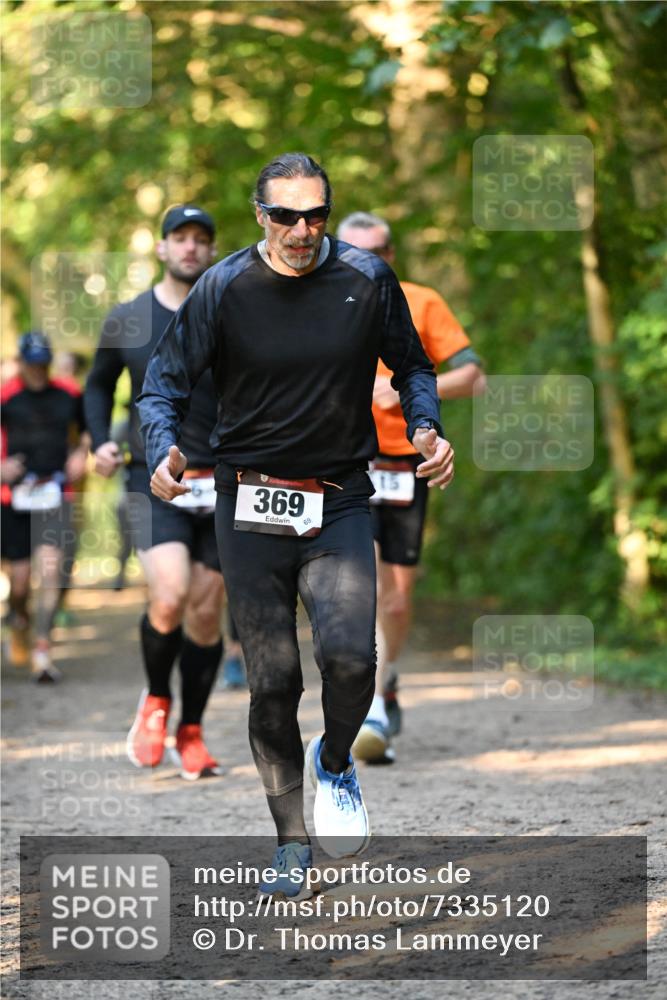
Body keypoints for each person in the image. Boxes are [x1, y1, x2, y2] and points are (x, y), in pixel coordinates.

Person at [138, 153, 455, 894]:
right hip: (247, 502)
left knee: (349, 660)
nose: (302, 230)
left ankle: (336, 763)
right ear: (260, 216)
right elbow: (161, 389)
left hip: (340, 495)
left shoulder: (364, 279)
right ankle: (290, 843)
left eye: (315, 214)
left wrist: (426, 428)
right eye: (285, 216)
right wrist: (163, 452)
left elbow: (413, 366)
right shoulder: (222, 288)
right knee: (272, 680)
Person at [337, 212, 486, 764]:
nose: (365, 261)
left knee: (398, 597)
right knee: (364, 585)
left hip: (406, 464)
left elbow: (473, 376)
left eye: (376, 251)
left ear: (392, 254)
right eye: (352, 251)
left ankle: (387, 680)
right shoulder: (318, 303)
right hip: (343, 459)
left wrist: (401, 392)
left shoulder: (420, 302)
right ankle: (370, 704)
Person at [84, 205, 226, 780]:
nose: (190, 247)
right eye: (180, 238)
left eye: (201, 239)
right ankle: (154, 703)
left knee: (207, 611)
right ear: (163, 249)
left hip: (222, 481)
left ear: (212, 251)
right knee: (170, 595)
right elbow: (97, 388)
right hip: (152, 478)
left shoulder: (230, 313)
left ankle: (190, 730)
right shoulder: (128, 319)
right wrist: (99, 442)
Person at [1, 332, 88, 682]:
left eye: (43, 364)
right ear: (21, 363)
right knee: (20, 582)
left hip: (55, 492)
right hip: (13, 498)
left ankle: (42, 649)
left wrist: (81, 454)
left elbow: (86, 431)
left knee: (51, 570)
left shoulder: (68, 394)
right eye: (31, 364)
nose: (38, 371)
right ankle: (18, 619)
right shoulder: (6, 396)